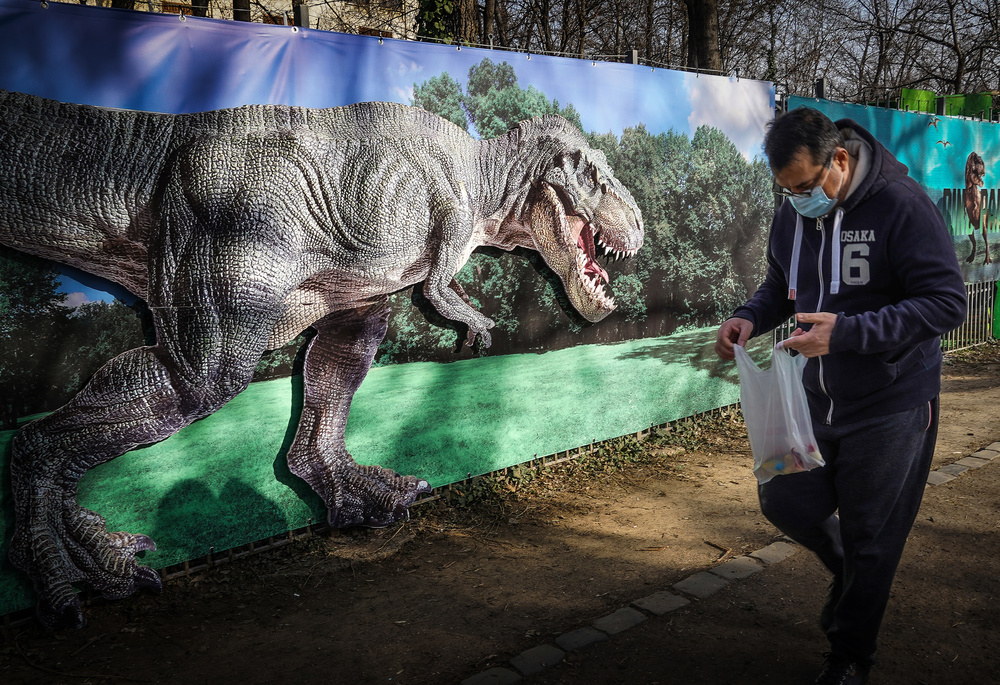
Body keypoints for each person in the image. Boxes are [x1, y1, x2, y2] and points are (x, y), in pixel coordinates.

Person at [715, 107, 966, 684]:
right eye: (786, 190)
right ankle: (849, 572)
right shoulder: (792, 214)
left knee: (871, 535)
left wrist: (848, 333)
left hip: (892, 404)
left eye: (805, 186)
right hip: (812, 402)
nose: (798, 199)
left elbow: (946, 303)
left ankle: (851, 656)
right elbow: (781, 284)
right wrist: (749, 317)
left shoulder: (903, 206)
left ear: (841, 160)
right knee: (785, 502)